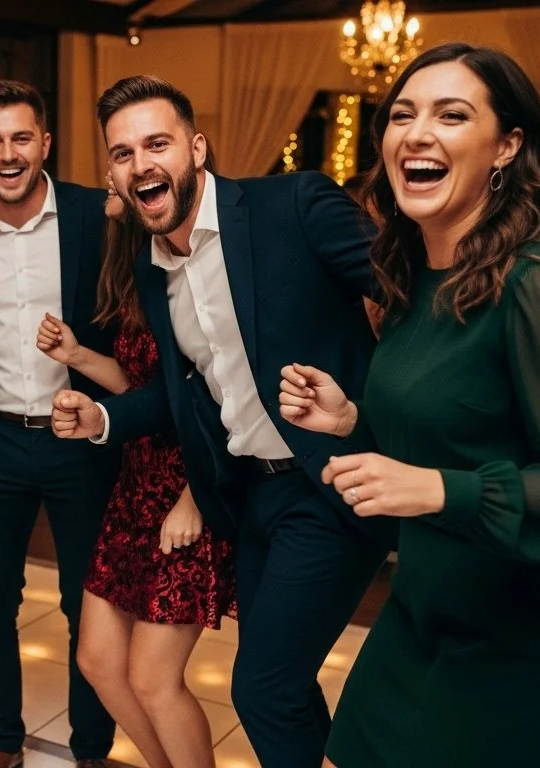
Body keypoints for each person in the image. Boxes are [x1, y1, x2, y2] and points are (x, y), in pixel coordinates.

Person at [275, 43, 540, 768]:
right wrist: (353, 421)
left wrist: (436, 489)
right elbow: (457, 430)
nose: (417, 132)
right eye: (402, 114)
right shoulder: (419, 273)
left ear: (506, 145)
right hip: (424, 608)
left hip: (525, 634)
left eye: (452, 114)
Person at [49, 75, 394, 768]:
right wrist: (102, 418)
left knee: (262, 689)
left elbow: (408, 290)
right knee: (280, 688)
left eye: (157, 142)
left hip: (329, 482)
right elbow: (188, 398)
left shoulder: (291, 204)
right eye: (122, 153)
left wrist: (370, 410)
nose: (140, 163)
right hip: (253, 496)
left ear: (196, 147)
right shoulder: (152, 268)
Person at [0, 80, 119, 768]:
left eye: (20, 138)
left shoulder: (98, 214)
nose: (6, 155)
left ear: (44, 142)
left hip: (81, 437)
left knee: (86, 603)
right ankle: (3, 739)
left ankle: (92, 746)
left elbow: (130, 321)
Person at [37, 163, 234, 768]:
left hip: (190, 484)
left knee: (153, 677)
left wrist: (194, 497)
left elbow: (231, 396)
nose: (110, 188)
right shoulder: (136, 271)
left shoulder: (204, 271)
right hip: (134, 485)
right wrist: (77, 357)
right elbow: (144, 390)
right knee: (98, 660)